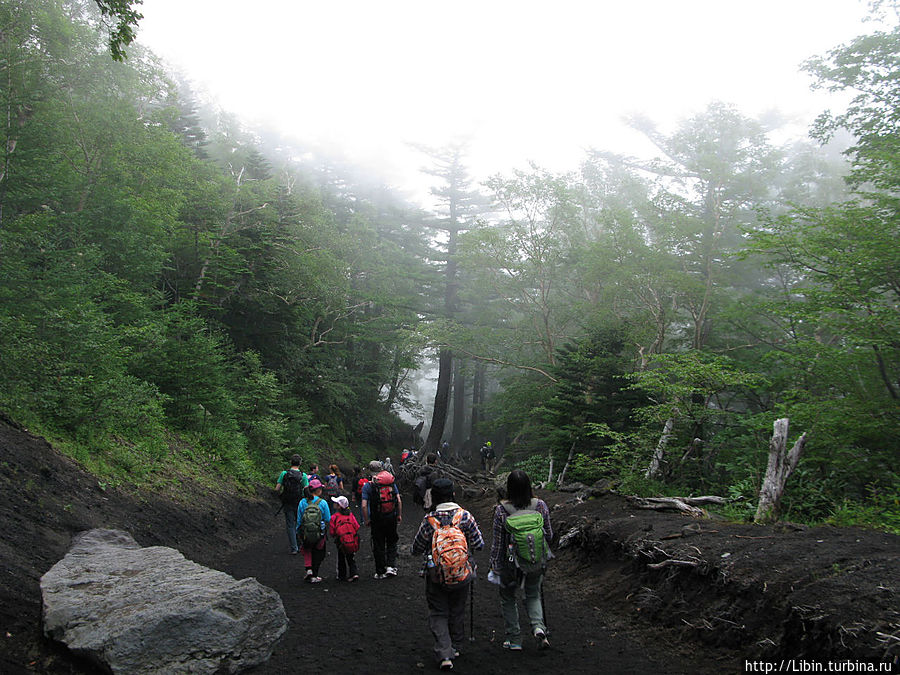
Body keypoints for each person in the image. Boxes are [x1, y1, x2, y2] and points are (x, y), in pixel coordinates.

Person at [411, 478, 485, 671]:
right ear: (453, 494)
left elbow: (417, 547)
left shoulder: (429, 520)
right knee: (457, 609)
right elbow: (479, 544)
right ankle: (456, 646)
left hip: (435, 574)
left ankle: (444, 653)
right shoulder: (465, 516)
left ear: (434, 496)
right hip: (462, 572)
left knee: (438, 612)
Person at [489, 469, 553, 651]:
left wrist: (495, 565)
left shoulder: (502, 510)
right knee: (533, 595)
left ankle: (515, 638)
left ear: (509, 488)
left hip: (511, 564)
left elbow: (498, 543)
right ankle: (539, 628)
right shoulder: (540, 505)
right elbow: (549, 534)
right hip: (535, 561)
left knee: (508, 598)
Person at [361, 460, 402, 579]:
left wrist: (366, 519)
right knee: (392, 541)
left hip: (376, 518)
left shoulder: (368, 485)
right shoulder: (390, 483)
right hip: (391, 516)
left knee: (378, 543)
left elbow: (364, 505)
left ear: (370, 470)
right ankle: (391, 567)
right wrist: (399, 514)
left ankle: (380, 571)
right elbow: (398, 500)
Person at [297, 478, 331, 583]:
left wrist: (298, 531)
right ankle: (315, 575)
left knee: (307, 549)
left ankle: (309, 569)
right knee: (319, 552)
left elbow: (299, 519)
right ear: (319, 490)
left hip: (305, 531)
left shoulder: (303, 502)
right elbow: (328, 518)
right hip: (319, 531)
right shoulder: (323, 502)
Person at [274, 454, 308, 555]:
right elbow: (306, 490)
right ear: (300, 463)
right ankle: (300, 544)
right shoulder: (303, 476)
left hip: (287, 501)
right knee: (299, 522)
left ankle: (294, 547)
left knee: (290, 525)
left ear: (291, 462)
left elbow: (277, 488)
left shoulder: (284, 473)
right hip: (299, 501)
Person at [329, 495, 361, 582]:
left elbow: (332, 532)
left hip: (340, 541)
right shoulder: (350, 515)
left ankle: (341, 575)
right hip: (352, 539)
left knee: (341, 558)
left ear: (339, 506)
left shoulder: (334, 517)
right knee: (351, 557)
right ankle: (354, 573)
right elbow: (356, 526)